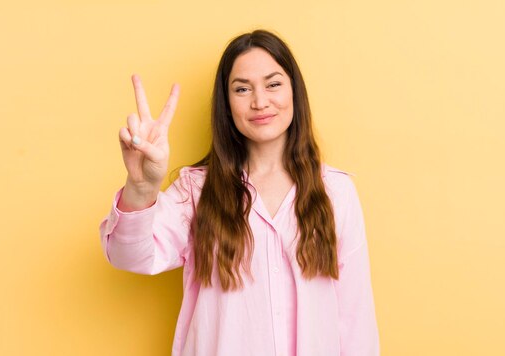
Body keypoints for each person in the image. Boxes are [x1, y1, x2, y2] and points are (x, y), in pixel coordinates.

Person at [99, 29, 380, 356]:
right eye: (242, 89)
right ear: (226, 104)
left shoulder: (337, 192)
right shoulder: (196, 190)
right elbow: (129, 256)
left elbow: (355, 318)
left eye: (273, 84)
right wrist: (141, 186)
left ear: (294, 92)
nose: (260, 101)